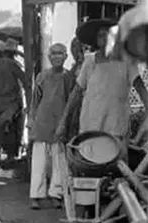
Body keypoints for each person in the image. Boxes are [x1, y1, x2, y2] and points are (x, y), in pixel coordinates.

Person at [55, 18, 148, 154]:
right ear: (96, 40)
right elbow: (76, 94)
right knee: (89, 164)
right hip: (89, 131)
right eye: (100, 35)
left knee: (116, 165)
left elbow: (142, 91)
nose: (104, 39)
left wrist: (144, 126)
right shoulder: (89, 62)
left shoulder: (127, 62)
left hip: (116, 131)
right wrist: (63, 122)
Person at [28, 43, 76, 210]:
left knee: (58, 161)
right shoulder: (42, 76)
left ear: (65, 57)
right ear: (49, 57)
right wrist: (31, 120)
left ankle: (56, 194)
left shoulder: (69, 77)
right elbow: (35, 101)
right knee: (39, 162)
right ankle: (36, 195)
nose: (56, 57)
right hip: (42, 122)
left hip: (60, 123)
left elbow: (71, 101)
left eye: (60, 53)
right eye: (53, 53)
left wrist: (68, 123)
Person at [0, 39, 26, 176]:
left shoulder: (9, 64)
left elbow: (24, 79)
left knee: (10, 130)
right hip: (0, 104)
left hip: (12, 103)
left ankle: (9, 158)